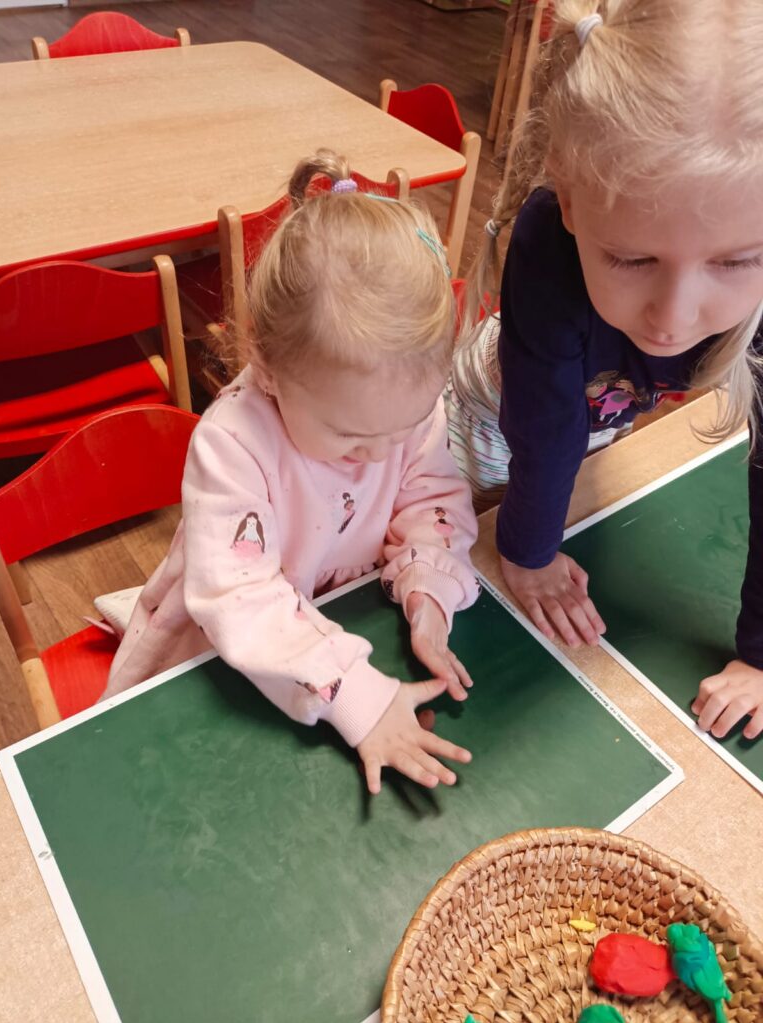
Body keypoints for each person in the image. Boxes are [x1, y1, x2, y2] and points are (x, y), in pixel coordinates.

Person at [102, 150, 480, 793]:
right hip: (215, 661)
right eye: (351, 436)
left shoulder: (398, 410)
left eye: (404, 429)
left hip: (336, 622)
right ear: (268, 366)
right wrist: (359, 696)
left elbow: (430, 499)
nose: (381, 454)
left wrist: (427, 592)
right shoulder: (233, 445)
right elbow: (244, 600)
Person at [445, 1, 763, 739]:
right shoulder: (545, 246)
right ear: (567, 202)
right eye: (631, 258)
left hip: (597, 416)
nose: (672, 319)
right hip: (486, 423)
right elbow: (543, 425)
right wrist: (528, 553)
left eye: (736, 263)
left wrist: (758, 656)